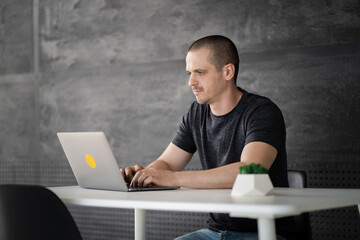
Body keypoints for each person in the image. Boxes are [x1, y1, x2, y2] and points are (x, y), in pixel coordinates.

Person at [121, 35, 296, 240]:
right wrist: (146, 174)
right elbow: (168, 162)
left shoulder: (261, 111)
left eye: (200, 73)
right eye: (189, 73)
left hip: (265, 232)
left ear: (228, 72)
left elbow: (249, 171)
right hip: (215, 232)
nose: (191, 82)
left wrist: (172, 178)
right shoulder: (196, 113)